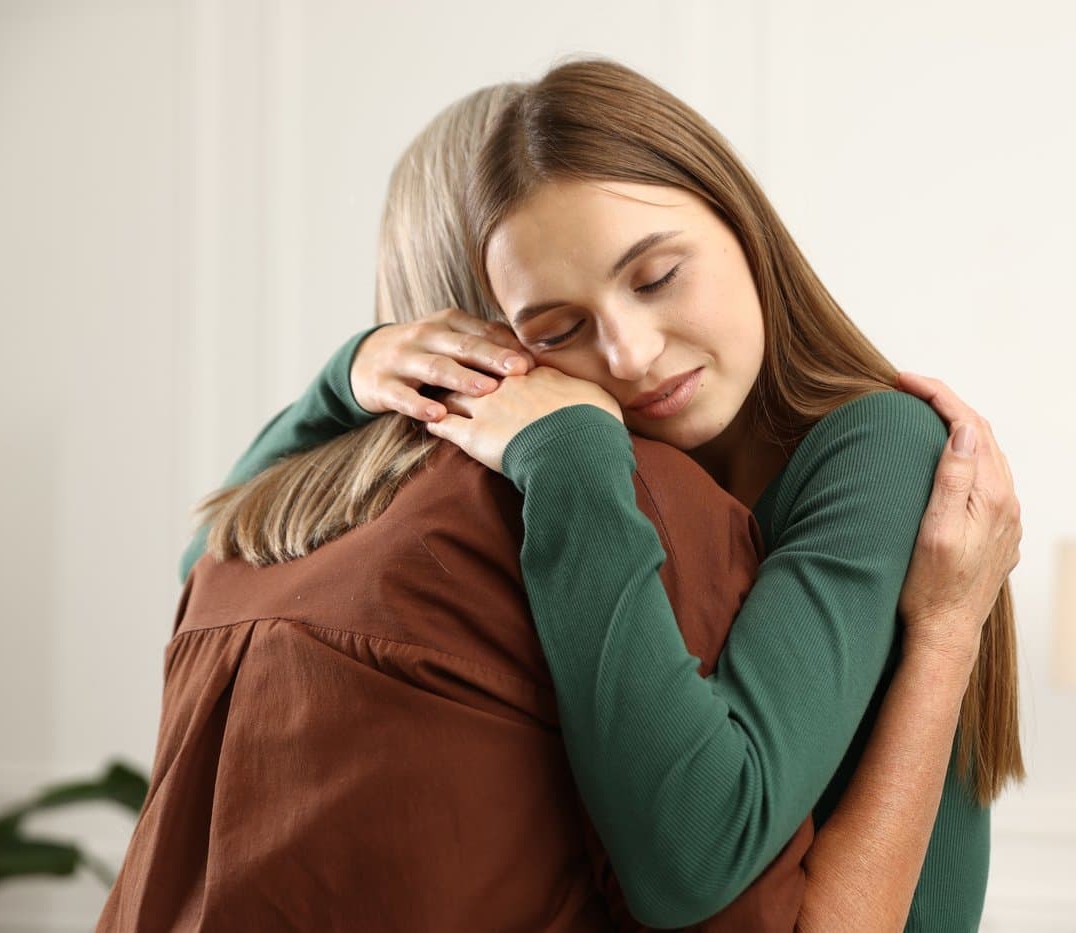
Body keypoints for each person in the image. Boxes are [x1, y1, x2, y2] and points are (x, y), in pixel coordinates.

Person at [108, 65, 1020, 931]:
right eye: (558, 329)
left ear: (743, 223)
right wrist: (350, 376)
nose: (630, 355)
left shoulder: (880, 445)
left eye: (659, 277)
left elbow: (694, 861)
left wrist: (574, 460)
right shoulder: (625, 470)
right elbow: (216, 564)